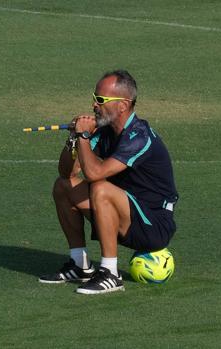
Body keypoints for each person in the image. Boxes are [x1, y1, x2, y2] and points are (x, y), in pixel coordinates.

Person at [39, 70, 178, 294]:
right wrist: (74, 139)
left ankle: (111, 274)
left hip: (153, 225)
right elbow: (67, 172)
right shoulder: (104, 131)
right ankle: (80, 265)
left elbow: (95, 174)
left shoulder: (139, 136)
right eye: (94, 98)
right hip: (119, 212)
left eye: (101, 100)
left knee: (100, 187)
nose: (94, 105)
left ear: (123, 105)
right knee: (63, 186)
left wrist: (84, 136)